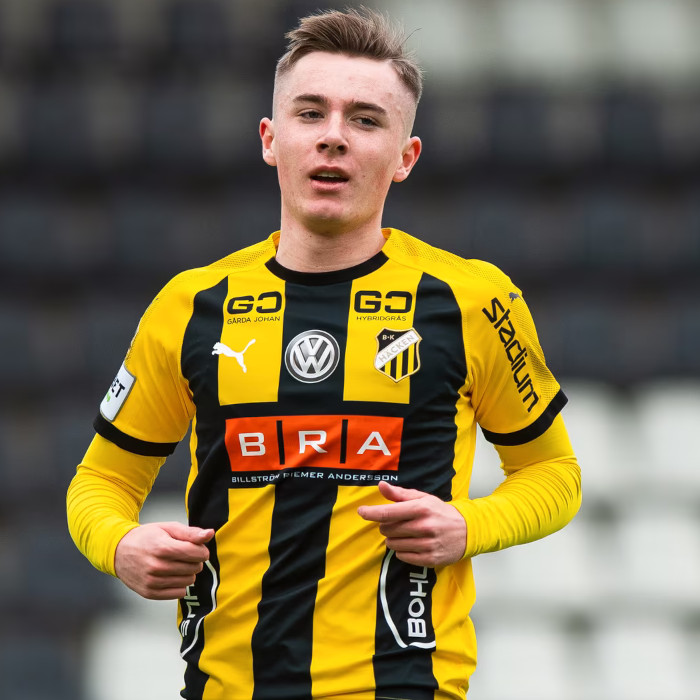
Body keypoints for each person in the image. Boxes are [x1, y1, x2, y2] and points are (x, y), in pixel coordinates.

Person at [67, 8, 581, 700]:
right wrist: (120, 545)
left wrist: (470, 524)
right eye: (311, 113)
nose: (333, 136)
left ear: (405, 157)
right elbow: (100, 483)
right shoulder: (190, 306)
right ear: (270, 139)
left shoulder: (472, 300)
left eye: (365, 120)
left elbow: (553, 473)